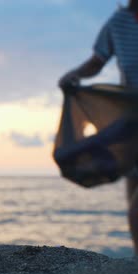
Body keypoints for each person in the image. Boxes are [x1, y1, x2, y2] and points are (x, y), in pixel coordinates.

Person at [59, 0, 138, 254]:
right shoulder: (119, 23)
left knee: (137, 212)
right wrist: (74, 75)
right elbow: (96, 62)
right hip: (131, 119)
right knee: (133, 193)